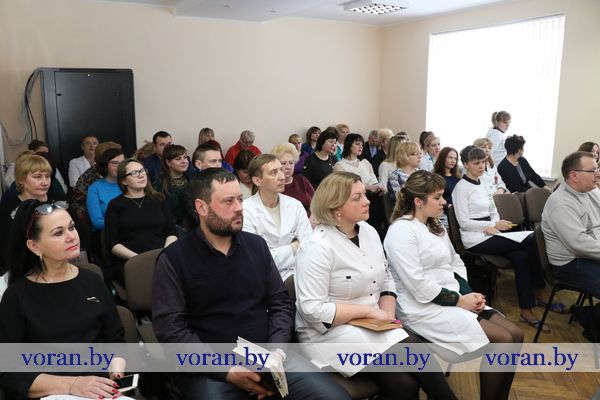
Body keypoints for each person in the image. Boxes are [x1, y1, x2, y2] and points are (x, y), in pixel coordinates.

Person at [151, 168, 350, 400]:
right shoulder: (174, 259)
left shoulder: (256, 246)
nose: (239, 207)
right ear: (201, 207)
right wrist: (225, 370)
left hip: (268, 356)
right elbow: (171, 330)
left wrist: (277, 350)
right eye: (228, 201)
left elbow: (280, 304)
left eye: (240, 199)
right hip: (212, 368)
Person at [295, 172, 457, 400]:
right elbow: (313, 310)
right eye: (357, 197)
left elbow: (386, 278)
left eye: (365, 194)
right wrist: (370, 312)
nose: (367, 201)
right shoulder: (317, 247)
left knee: (407, 378)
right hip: (329, 334)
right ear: (335, 207)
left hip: (373, 325)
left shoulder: (369, 232)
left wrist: (387, 315)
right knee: (409, 362)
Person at [384, 170, 522, 400]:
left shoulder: (435, 226)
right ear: (418, 201)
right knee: (503, 339)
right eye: (437, 197)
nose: (444, 202)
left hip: (453, 297)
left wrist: (469, 295)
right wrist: (459, 300)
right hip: (423, 307)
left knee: (516, 334)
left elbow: (455, 262)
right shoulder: (401, 231)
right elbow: (417, 283)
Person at [0, 199, 126, 399]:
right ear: (34, 246)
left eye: (71, 227)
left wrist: (116, 367)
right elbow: (9, 372)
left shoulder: (92, 281)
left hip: (98, 389)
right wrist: (73, 385)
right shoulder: (16, 296)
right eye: (58, 233)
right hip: (51, 393)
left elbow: (115, 338)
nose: (72, 237)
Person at [452, 146, 554, 329]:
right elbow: (464, 222)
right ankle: (540, 288)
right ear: (465, 164)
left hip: (491, 233)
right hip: (475, 239)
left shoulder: (482, 183)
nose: (481, 166)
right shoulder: (461, 188)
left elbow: (493, 210)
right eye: (476, 163)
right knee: (530, 240)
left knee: (521, 257)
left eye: (483, 162)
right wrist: (491, 225)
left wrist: (495, 224)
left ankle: (526, 309)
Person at [105, 158, 178, 285]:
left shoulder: (159, 199)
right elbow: (113, 244)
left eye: (142, 170)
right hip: (131, 260)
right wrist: (139, 259)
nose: (141, 175)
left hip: (162, 256)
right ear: (124, 180)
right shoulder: (115, 205)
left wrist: (164, 254)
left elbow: (172, 232)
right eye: (134, 173)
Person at [242, 154, 312, 280]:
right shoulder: (245, 210)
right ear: (257, 181)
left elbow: (309, 246)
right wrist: (294, 247)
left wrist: (275, 254)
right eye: (273, 172)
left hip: (299, 273)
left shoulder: (295, 205)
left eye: (280, 170)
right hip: (263, 279)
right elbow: (257, 260)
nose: (282, 176)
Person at [542, 151, 600, 298]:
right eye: (593, 171)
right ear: (574, 175)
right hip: (570, 263)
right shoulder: (561, 203)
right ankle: (587, 312)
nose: (598, 174)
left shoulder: (590, 191)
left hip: (589, 253)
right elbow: (579, 244)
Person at [0, 154, 64, 269]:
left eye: (47, 176)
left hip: (60, 260)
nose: (45, 182)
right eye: (37, 177)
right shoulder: (8, 209)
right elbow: (7, 249)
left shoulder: (60, 201)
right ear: (21, 180)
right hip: (23, 267)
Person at [334, 133, 386, 234]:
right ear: (349, 145)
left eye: (362, 144)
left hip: (372, 199)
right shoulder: (339, 166)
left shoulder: (365, 163)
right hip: (353, 202)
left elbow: (374, 182)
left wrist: (378, 187)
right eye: (357, 144)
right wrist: (367, 187)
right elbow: (344, 189)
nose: (361, 147)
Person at [152, 144, 192, 227]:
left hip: (191, 224)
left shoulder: (191, 178)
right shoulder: (160, 182)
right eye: (178, 159)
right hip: (170, 226)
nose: (184, 161)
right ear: (168, 162)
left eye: (185, 157)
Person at [86, 147, 124, 231]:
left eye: (122, 163)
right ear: (106, 165)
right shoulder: (95, 188)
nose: (119, 166)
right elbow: (97, 222)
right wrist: (124, 225)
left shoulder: (130, 183)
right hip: (107, 233)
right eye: (115, 163)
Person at [272, 142, 315, 214]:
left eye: (291, 163)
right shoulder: (273, 186)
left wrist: (313, 216)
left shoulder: (301, 180)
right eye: (283, 163)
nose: (288, 167)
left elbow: (316, 201)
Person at [433, 147, 461, 211]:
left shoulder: (457, 177)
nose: (453, 161)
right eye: (450, 158)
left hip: (459, 210)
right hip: (444, 211)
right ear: (443, 158)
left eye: (455, 158)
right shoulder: (436, 178)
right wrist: (448, 206)